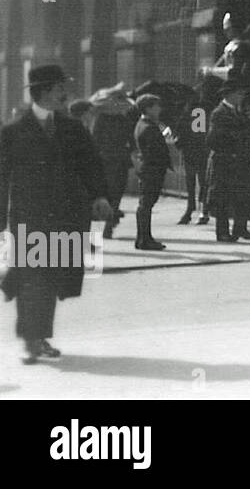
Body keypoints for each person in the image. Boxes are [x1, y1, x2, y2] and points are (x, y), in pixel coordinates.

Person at [0, 64, 113, 364]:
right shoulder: (13, 132)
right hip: (29, 216)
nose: (66, 93)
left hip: (64, 216)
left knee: (48, 278)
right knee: (32, 278)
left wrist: (99, 195)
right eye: (61, 88)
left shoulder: (72, 128)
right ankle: (32, 339)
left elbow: (91, 164)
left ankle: (38, 336)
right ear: (47, 91)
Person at [206, 78, 250, 243]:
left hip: (240, 162)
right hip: (225, 162)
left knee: (241, 196)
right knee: (222, 198)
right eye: (239, 94)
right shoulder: (219, 113)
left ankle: (241, 228)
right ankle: (222, 232)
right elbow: (212, 139)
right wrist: (232, 146)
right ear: (229, 95)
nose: (242, 97)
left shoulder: (238, 111)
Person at [88, 84, 135, 239]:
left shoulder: (100, 118)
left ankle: (108, 222)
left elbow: (94, 139)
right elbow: (131, 139)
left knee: (107, 193)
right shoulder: (123, 119)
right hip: (119, 160)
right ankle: (109, 225)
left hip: (104, 160)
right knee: (116, 193)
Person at [131, 94, 169, 251]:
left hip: (148, 169)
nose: (159, 109)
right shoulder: (148, 127)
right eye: (156, 106)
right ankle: (144, 239)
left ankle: (143, 238)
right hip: (152, 170)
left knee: (145, 204)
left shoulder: (143, 124)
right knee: (146, 204)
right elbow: (154, 151)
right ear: (148, 108)